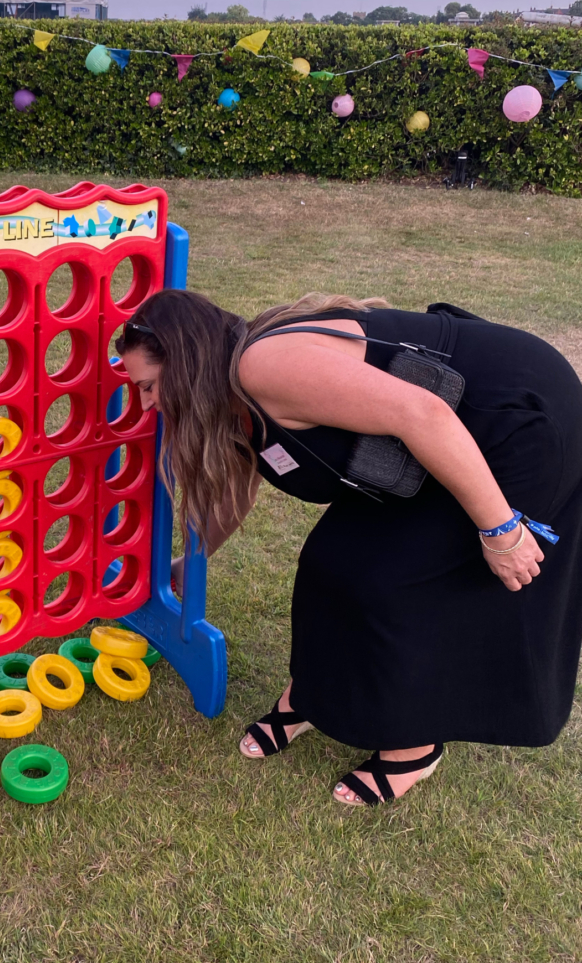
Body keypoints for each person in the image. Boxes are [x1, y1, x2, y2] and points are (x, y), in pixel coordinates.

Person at [117, 290, 582, 806]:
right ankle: (311, 699)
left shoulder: (262, 366)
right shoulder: (229, 393)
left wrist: (501, 531)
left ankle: (415, 748)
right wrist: (195, 560)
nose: (146, 403)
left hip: (513, 422)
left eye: (150, 386)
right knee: (329, 561)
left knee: (396, 579)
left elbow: (422, 414)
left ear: (184, 364)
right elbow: (242, 480)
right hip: (435, 444)